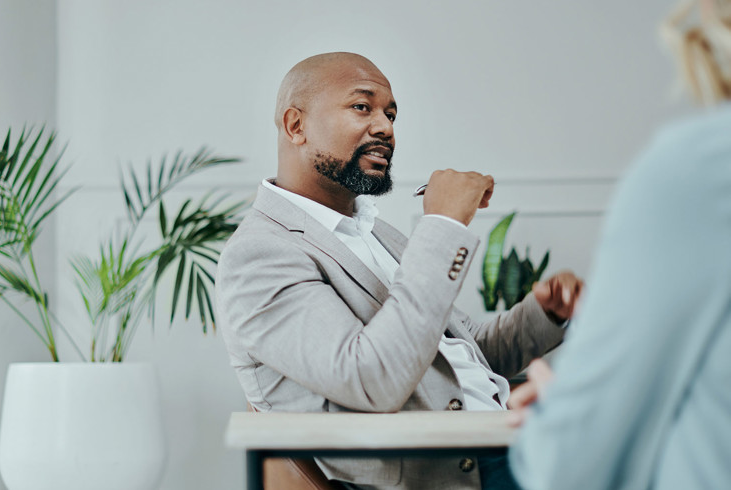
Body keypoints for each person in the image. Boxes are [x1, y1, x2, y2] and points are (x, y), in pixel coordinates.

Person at [217, 52, 584, 490]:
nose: (385, 127)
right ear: (296, 126)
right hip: (463, 473)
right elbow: (371, 379)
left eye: (391, 114)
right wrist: (443, 227)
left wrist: (545, 315)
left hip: (515, 441)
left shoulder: (377, 234)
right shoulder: (259, 254)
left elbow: (464, 353)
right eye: (362, 107)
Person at [507, 1, 731, 489]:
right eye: (363, 106)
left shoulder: (695, 168)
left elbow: (570, 467)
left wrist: (565, 410)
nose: (382, 126)